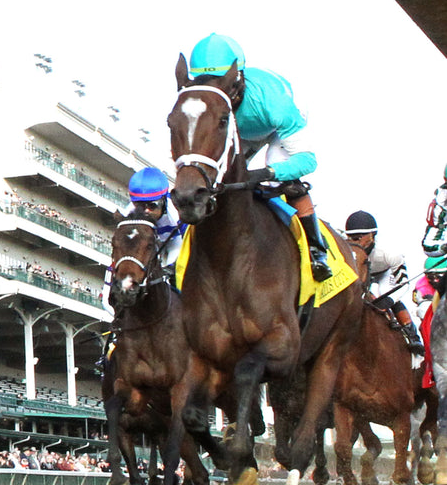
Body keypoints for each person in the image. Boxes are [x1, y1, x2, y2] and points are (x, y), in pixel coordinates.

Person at [185, 33, 331, 281]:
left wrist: (268, 173)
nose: (214, 92)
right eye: (206, 83)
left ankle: (316, 250)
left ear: (238, 79)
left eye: (220, 83)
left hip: (276, 128)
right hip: (243, 130)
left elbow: (307, 161)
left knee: (277, 177)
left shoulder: (275, 104)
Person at [344, 210, 423, 355]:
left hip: (384, 274)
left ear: (372, 236)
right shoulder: (345, 249)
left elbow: (403, 283)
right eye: (350, 237)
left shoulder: (389, 253)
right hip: (361, 274)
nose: (353, 242)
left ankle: (412, 335)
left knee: (386, 294)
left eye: (358, 237)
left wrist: (389, 300)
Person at [125, 166, 185, 274]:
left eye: (152, 205)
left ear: (163, 201)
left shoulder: (177, 212)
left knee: (175, 268)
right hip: (150, 241)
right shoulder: (128, 214)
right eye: (140, 206)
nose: (146, 211)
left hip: (175, 240)